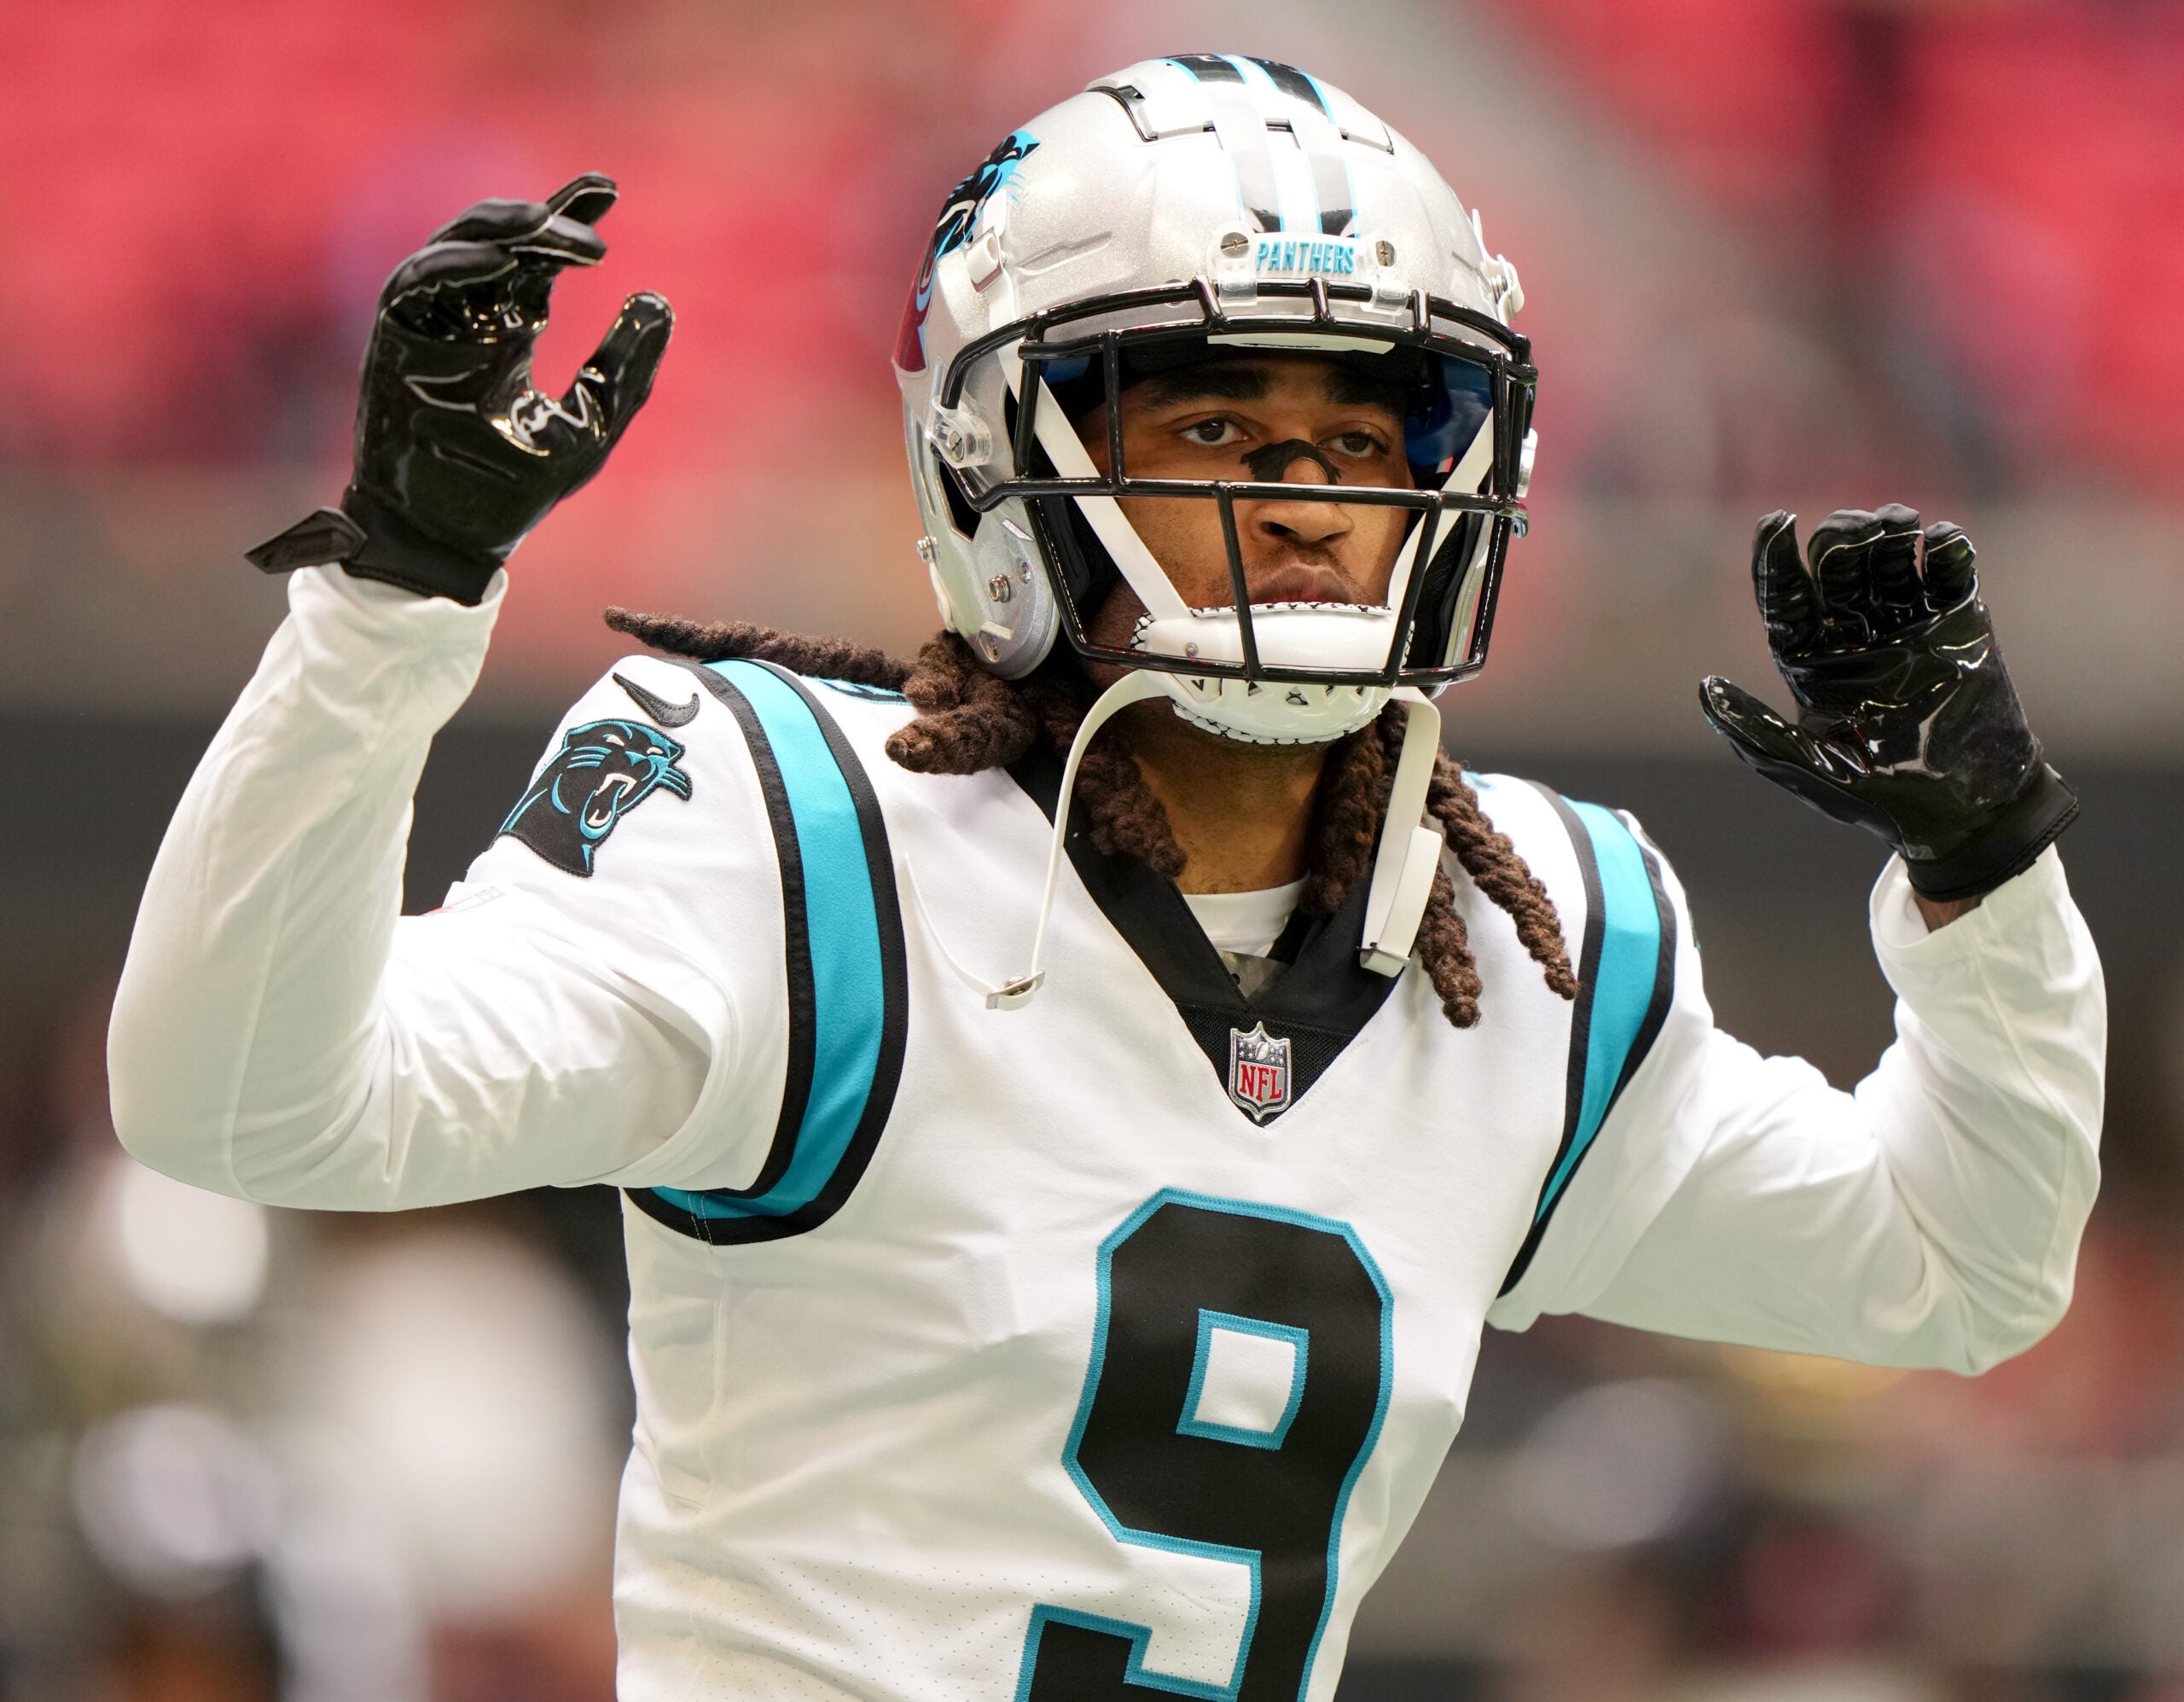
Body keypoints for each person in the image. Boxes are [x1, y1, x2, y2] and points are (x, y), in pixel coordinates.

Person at [109, 56, 2103, 1702]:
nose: (1305, 500)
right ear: (1002, 462)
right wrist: (389, 602)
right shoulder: (796, 832)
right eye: (1219, 418)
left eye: (1359, 436)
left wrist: (1981, 877)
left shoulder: (1522, 939)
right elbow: (243, 1103)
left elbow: (1952, 1266)